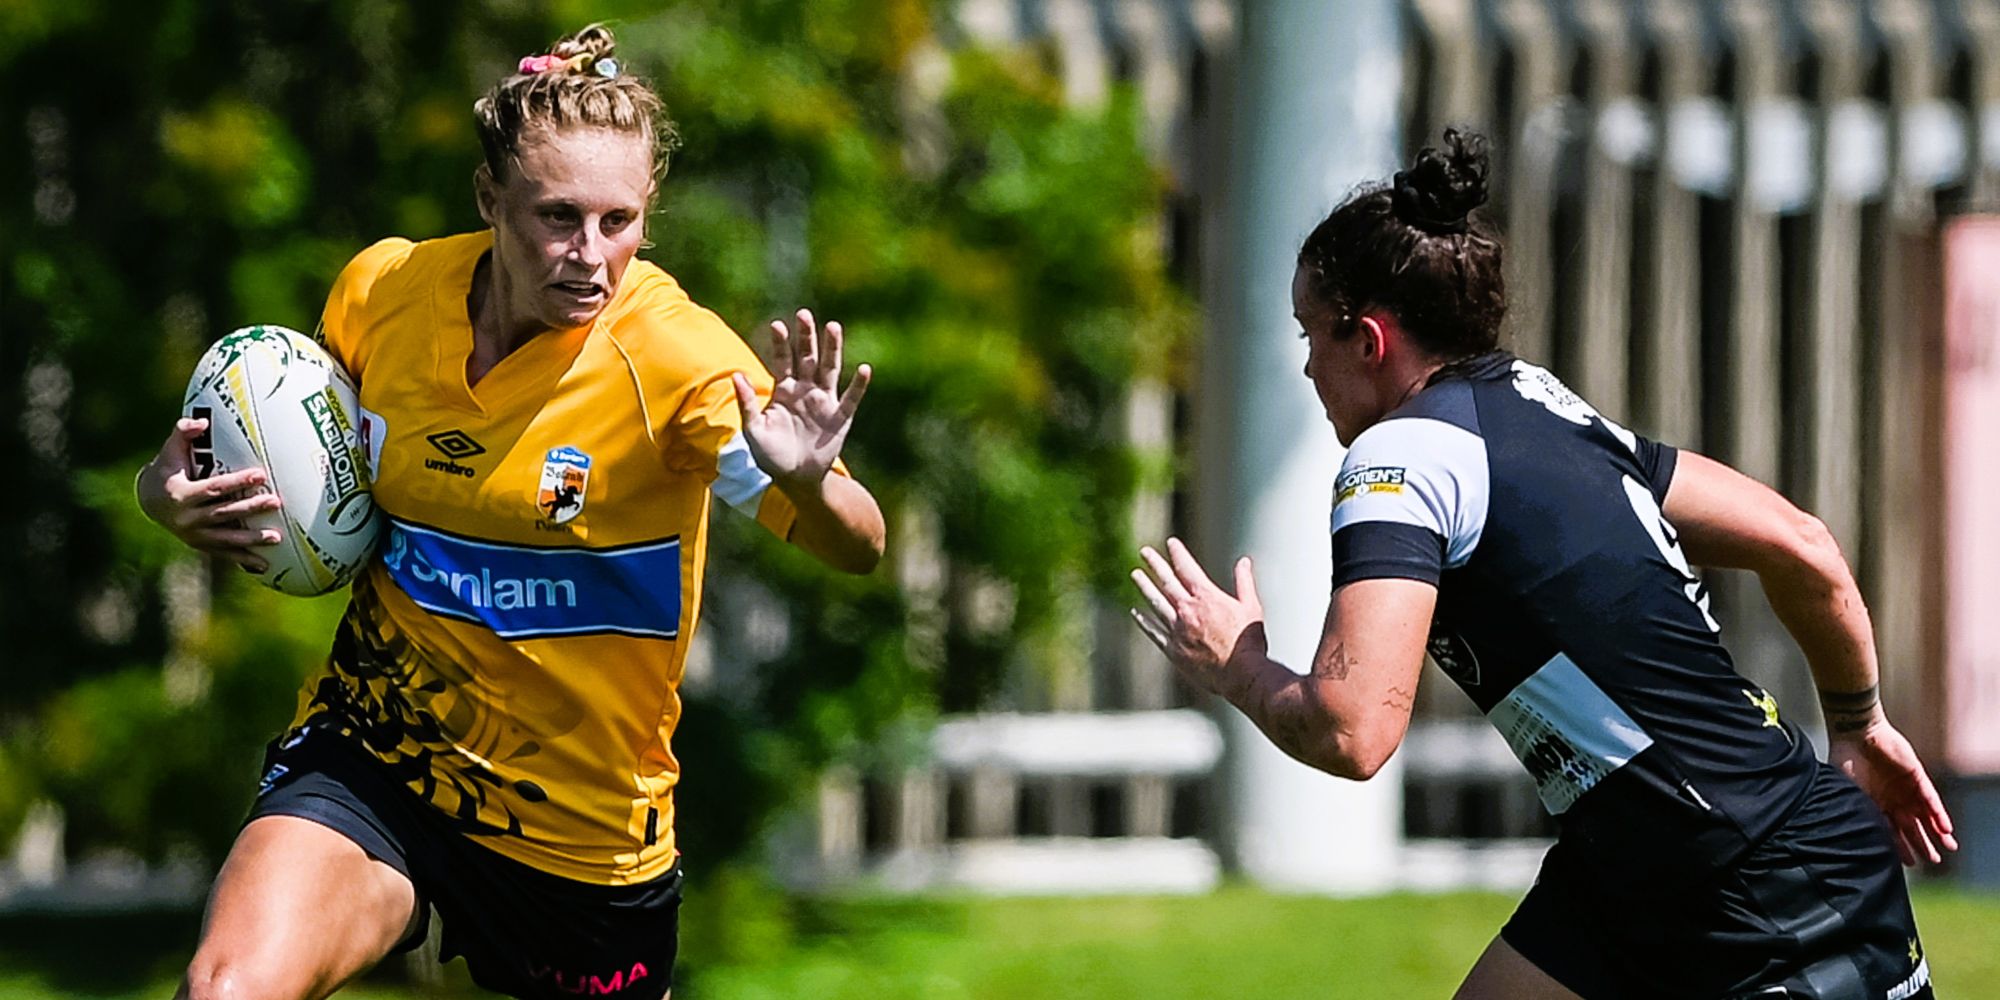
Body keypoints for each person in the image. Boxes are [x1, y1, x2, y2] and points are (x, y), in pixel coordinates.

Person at [135, 25, 883, 1000]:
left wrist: (810, 481)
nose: (590, 256)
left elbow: (857, 545)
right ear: (490, 198)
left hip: (580, 835)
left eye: (619, 221)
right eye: (558, 216)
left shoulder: (677, 362)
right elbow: (294, 457)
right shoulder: (384, 293)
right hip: (379, 753)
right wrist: (166, 494)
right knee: (226, 989)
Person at [1129, 129, 1955, 1000]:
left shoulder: (1396, 461)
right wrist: (1860, 725)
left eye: (1310, 334)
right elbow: (1801, 543)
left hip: (1765, 882)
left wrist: (1238, 665)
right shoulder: (1544, 406)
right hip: (1633, 867)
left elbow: (1352, 730)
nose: (1306, 365)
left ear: (1368, 339)